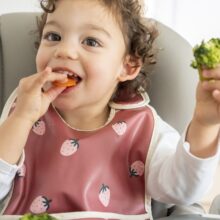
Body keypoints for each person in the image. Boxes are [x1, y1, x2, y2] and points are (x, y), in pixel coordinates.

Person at [0, 0, 220, 219]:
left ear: (127, 66)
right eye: (54, 36)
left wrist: (204, 124)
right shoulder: (22, 115)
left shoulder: (143, 128)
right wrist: (21, 119)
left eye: (91, 41)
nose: (64, 50)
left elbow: (182, 191)